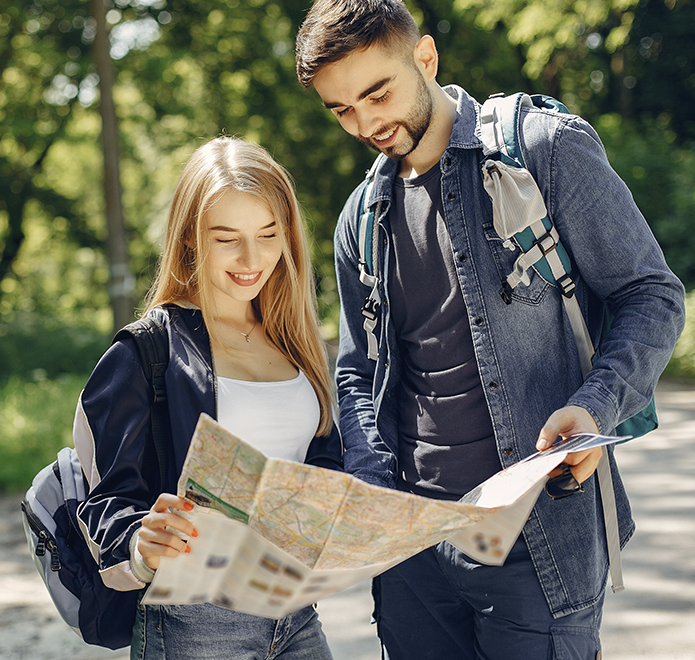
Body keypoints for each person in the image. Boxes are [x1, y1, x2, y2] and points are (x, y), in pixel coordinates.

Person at [295, 2, 686, 659]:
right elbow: (357, 370)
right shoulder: (362, 215)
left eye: (377, 93)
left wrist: (593, 408)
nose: (366, 124)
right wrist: (369, 479)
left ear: (425, 57)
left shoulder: (545, 149)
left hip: (538, 542)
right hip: (412, 556)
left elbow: (652, 294)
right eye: (341, 111)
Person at [74, 136, 342, 660]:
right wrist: (141, 543)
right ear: (192, 239)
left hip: (294, 614)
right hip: (195, 621)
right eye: (227, 238)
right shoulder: (148, 351)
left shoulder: (296, 340)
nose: (252, 258)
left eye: (268, 234)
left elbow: (320, 459)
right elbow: (104, 502)